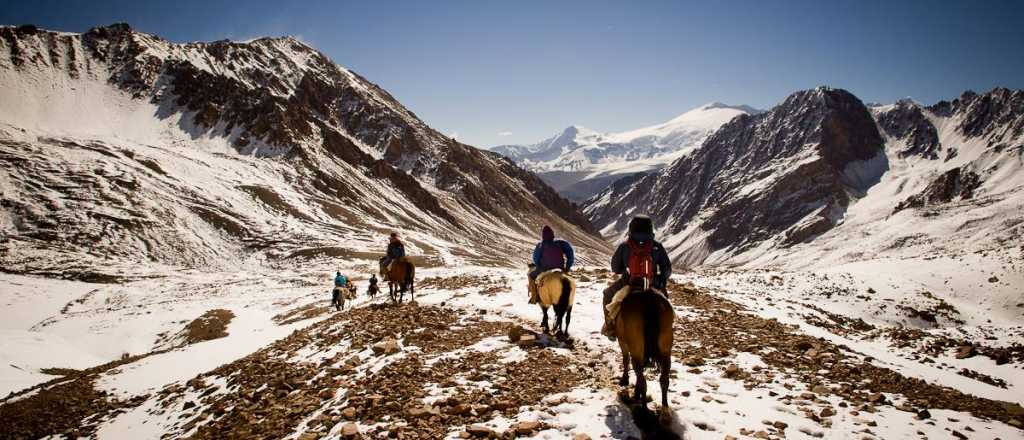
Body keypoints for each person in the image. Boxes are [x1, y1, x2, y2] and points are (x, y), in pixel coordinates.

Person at [601, 215, 672, 339]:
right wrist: (660, 281)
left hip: (629, 283)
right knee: (665, 303)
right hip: (652, 283)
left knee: (607, 294)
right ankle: (666, 327)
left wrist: (626, 271)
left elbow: (615, 268)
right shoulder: (657, 246)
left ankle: (610, 327)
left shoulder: (624, 246)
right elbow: (667, 269)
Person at [528, 225, 575, 304]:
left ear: (543, 236)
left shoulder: (540, 246)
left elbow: (535, 258)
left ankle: (534, 297)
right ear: (553, 234)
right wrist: (567, 267)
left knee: (531, 275)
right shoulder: (561, 244)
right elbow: (570, 253)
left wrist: (538, 265)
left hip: (545, 268)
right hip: (560, 268)